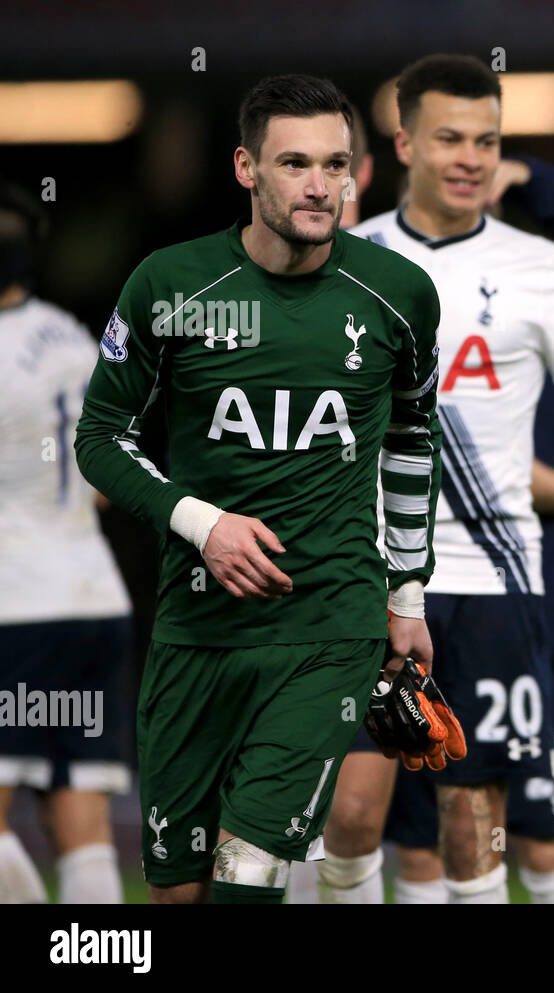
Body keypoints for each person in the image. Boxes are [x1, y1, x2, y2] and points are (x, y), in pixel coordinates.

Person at [73, 74, 443, 904]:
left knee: (250, 871)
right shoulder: (170, 284)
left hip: (329, 626)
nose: (320, 185)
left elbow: (414, 439)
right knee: (178, 889)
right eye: (295, 163)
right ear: (247, 168)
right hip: (196, 629)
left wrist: (409, 594)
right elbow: (100, 437)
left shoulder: (400, 295)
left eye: (337, 164)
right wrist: (204, 525)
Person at [325, 54, 554, 905]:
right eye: (450, 138)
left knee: (472, 814)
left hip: (496, 579)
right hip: (368, 576)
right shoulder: (348, 259)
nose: (470, 158)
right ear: (405, 142)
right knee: (352, 815)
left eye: (487, 141)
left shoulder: (545, 267)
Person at [0, 181, 133, 904]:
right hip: (91, 600)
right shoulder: (72, 335)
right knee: (80, 812)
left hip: (13, 605)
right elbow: (107, 476)